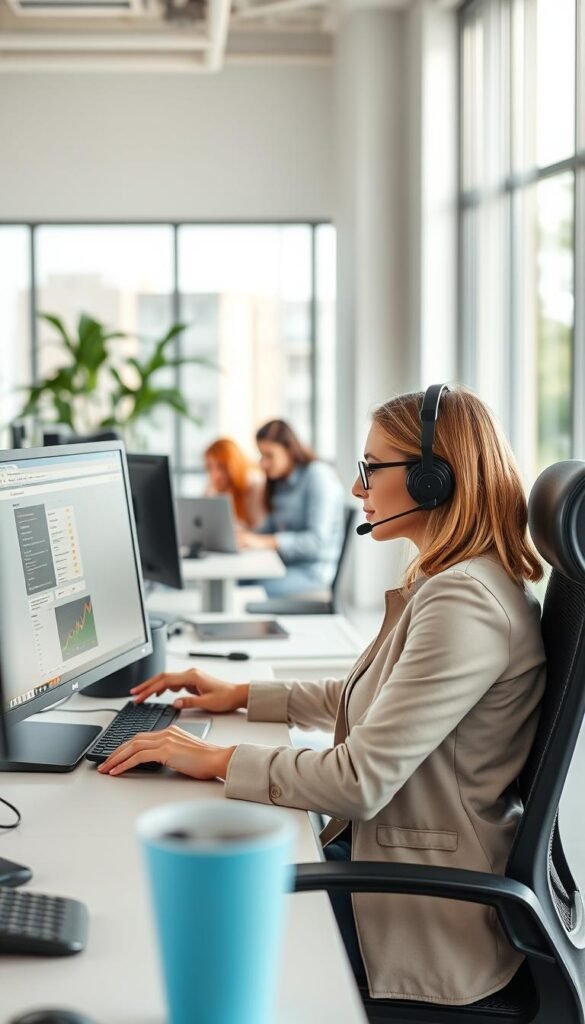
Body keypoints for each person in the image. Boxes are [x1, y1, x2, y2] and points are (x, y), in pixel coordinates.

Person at [98, 385, 546, 1007]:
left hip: (421, 911)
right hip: (394, 862)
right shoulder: (460, 580)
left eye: (370, 469)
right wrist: (242, 695)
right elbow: (372, 698)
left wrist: (215, 759)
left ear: (432, 481)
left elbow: (358, 780)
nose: (358, 490)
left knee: (174, 910)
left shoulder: (464, 600)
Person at [237, 419, 345, 597]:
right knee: (239, 580)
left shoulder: (318, 475)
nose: (263, 463)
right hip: (285, 566)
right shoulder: (281, 482)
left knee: (246, 592)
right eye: (261, 455)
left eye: (269, 455)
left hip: (312, 573)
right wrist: (247, 536)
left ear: (289, 449)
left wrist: (267, 542)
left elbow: (317, 541)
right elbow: (273, 525)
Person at [203, 437, 265, 529]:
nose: (215, 475)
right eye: (210, 467)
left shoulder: (255, 483)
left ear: (233, 465)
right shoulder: (213, 486)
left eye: (221, 467)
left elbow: (260, 528)